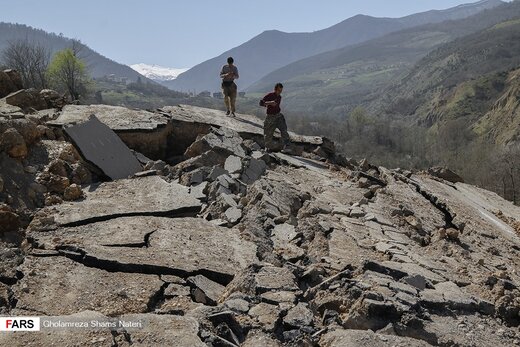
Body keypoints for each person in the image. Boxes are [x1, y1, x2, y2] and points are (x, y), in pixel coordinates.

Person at [259, 83, 291, 153]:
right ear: (275, 89)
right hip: (270, 117)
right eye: (279, 90)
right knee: (268, 133)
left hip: (278, 116)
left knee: (284, 130)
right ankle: (267, 148)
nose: (280, 92)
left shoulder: (279, 97)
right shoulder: (270, 95)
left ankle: (287, 146)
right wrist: (270, 103)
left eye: (281, 91)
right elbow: (261, 103)